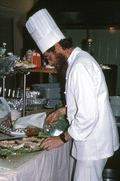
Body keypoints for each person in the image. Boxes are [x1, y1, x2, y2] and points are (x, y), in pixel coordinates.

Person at [26, 9, 119, 181]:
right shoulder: (79, 60)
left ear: (58, 47)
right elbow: (86, 103)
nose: (50, 63)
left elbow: (88, 116)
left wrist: (61, 139)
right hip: (94, 140)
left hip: (93, 144)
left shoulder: (79, 67)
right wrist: (63, 110)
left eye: (49, 57)